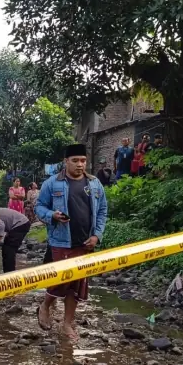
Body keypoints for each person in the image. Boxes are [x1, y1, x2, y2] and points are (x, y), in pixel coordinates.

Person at [36, 143, 108, 340]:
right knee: (62, 279)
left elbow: (102, 211)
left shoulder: (94, 184)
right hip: (60, 241)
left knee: (77, 284)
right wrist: (52, 215)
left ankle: (67, 323)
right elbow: (39, 207)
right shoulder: (52, 183)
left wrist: (97, 235)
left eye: (83, 160)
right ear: (65, 162)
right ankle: (45, 305)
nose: (80, 165)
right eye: (75, 160)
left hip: (85, 241)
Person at [0, 207, 31, 273]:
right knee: (6, 250)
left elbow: (1, 226)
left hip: (21, 223)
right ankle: (8, 273)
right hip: (17, 225)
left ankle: (9, 275)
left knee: (8, 250)